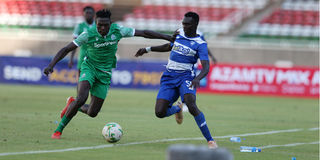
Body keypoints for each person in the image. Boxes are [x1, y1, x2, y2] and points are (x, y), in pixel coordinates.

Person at [43, 9, 174, 139]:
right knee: (82, 98)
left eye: (106, 25)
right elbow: (66, 49)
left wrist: (167, 37)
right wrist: (51, 65)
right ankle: (59, 130)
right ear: (96, 23)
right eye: (100, 25)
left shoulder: (118, 30)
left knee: (93, 113)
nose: (103, 28)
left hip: (105, 73)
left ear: (110, 24)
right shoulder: (88, 34)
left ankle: (73, 104)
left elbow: (144, 33)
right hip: (89, 68)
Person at [135, 12, 218, 149]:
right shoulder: (178, 33)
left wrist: (197, 78)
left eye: (187, 24)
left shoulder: (200, 44)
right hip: (169, 77)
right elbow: (169, 46)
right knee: (159, 112)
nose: (184, 26)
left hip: (186, 77)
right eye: (183, 23)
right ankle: (177, 109)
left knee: (191, 105)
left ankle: (210, 140)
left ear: (195, 25)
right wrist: (147, 49)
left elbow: (206, 67)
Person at [68, 6, 96, 75]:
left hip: (96, 54)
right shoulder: (79, 26)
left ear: (93, 14)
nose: (88, 15)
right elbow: (74, 44)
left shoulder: (98, 25)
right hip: (83, 54)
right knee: (81, 78)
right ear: (83, 14)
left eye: (90, 13)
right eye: (86, 13)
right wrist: (71, 59)